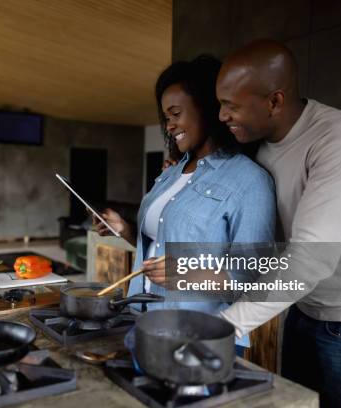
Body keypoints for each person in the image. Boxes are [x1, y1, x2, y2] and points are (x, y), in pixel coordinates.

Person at [215, 39, 341, 407]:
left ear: (274, 101)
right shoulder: (258, 144)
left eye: (231, 106)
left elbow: (311, 258)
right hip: (307, 308)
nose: (222, 116)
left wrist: (227, 325)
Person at [93, 55, 276, 353]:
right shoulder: (171, 173)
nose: (169, 126)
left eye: (175, 114)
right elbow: (159, 245)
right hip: (142, 322)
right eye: (166, 118)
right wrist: (124, 229)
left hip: (201, 339)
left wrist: (188, 274)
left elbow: (254, 278)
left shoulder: (249, 181)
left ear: (207, 107)